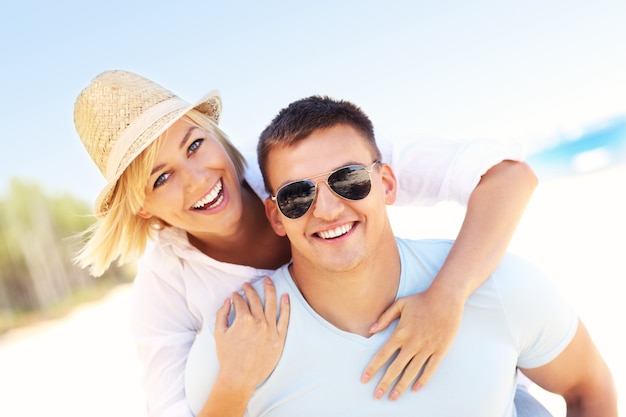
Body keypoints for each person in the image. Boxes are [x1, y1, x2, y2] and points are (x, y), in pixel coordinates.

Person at [73, 70, 538, 417]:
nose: (197, 181)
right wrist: (236, 381)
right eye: (162, 178)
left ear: (213, 133)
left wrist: (446, 297)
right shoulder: (166, 288)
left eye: (194, 145)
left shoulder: (302, 169)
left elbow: (506, 176)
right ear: (142, 208)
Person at [185, 95, 617, 417]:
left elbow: (589, 388)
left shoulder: (498, 286)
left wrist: (448, 296)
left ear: (388, 183)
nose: (328, 209)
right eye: (298, 195)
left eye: (349, 179)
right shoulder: (234, 349)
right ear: (276, 216)